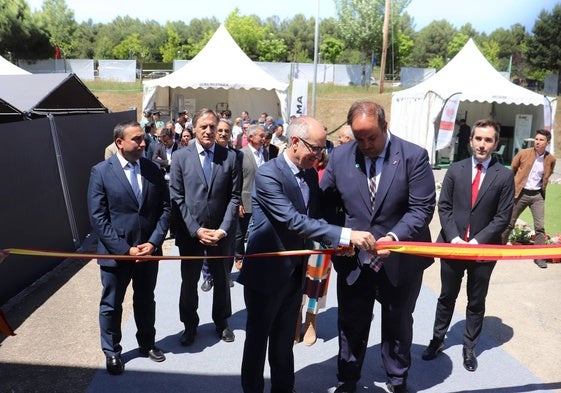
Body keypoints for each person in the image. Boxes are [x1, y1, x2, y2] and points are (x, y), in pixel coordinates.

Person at [238, 115, 376, 393]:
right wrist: (346, 235)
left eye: (322, 148)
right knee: (257, 342)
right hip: (265, 275)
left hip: (294, 272)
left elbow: (315, 218)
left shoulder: (311, 174)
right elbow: (294, 221)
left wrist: (337, 243)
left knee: (284, 341)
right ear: (295, 142)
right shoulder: (268, 174)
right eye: (315, 148)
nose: (319, 155)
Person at [320, 101, 436, 393]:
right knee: (351, 322)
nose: (366, 144)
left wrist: (394, 239)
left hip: (399, 260)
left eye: (372, 137)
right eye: (359, 138)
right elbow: (327, 205)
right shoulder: (340, 157)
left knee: (397, 322)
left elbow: (421, 208)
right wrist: (340, 237)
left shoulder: (414, 156)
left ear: (385, 126)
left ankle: (397, 379)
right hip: (353, 260)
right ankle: (347, 379)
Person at [422, 119, 514, 373]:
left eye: (488, 140)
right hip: (452, 246)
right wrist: (453, 237)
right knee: (446, 297)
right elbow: (445, 206)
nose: (482, 144)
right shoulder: (455, 169)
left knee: (476, 301)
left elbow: (503, 216)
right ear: (470, 140)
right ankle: (438, 340)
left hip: (483, 250)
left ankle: (469, 346)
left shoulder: (504, 176)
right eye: (478, 139)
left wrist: (476, 241)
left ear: (496, 144)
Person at [87, 120, 171, 375]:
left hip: (148, 252)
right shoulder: (101, 171)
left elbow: (165, 210)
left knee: (146, 300)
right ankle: (112, 352)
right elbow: (98, 217)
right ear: (120, 143)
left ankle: (147, 343)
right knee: (112, 304)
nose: (143, 143)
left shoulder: (153, 170)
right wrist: (125, 250)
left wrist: (154, 242)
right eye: (136, 139)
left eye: (143, 138)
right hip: (117, 255)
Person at [169, 108, 241, 346]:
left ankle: (222, 322)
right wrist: (196, 230)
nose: (209, 131)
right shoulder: (180, 157)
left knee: (222, 280)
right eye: (204, 126)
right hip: (191, 235)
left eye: (213, 126)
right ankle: (190, 325)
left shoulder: (230, 157)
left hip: (221, 233)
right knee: (189, 282)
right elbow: (177, 198)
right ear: (194, 128)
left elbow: (234, 197)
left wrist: (222, 229)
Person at [501, 129, 556, 267]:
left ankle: (539, 257)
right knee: (509, 223)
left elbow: (547, 175)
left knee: (540, 227)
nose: (537, 142)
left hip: (537, 196)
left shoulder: (551, 159)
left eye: (541, 140)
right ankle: (498, 249)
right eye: (536, 139)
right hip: (521, 193)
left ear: (547, 143)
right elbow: (512, 170)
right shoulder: (523, 153)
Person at [296, 150, 331, 346]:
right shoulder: (301, 169)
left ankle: (311, 321)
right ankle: (296, 318)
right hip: (299, 233)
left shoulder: (330, 169)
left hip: (320, 234)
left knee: (315, 280)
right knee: (297, 280)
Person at [235, 125, 267, 272]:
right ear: (251, 137)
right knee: (240, 233)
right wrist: (239, 202)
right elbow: (237, 181)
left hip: (263, 200)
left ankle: (255, 257)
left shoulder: (265, 153)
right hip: (246, 199)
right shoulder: (241, 154)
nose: (263, 138)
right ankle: (239, 257)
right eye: (261, 135)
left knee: (260, 231)